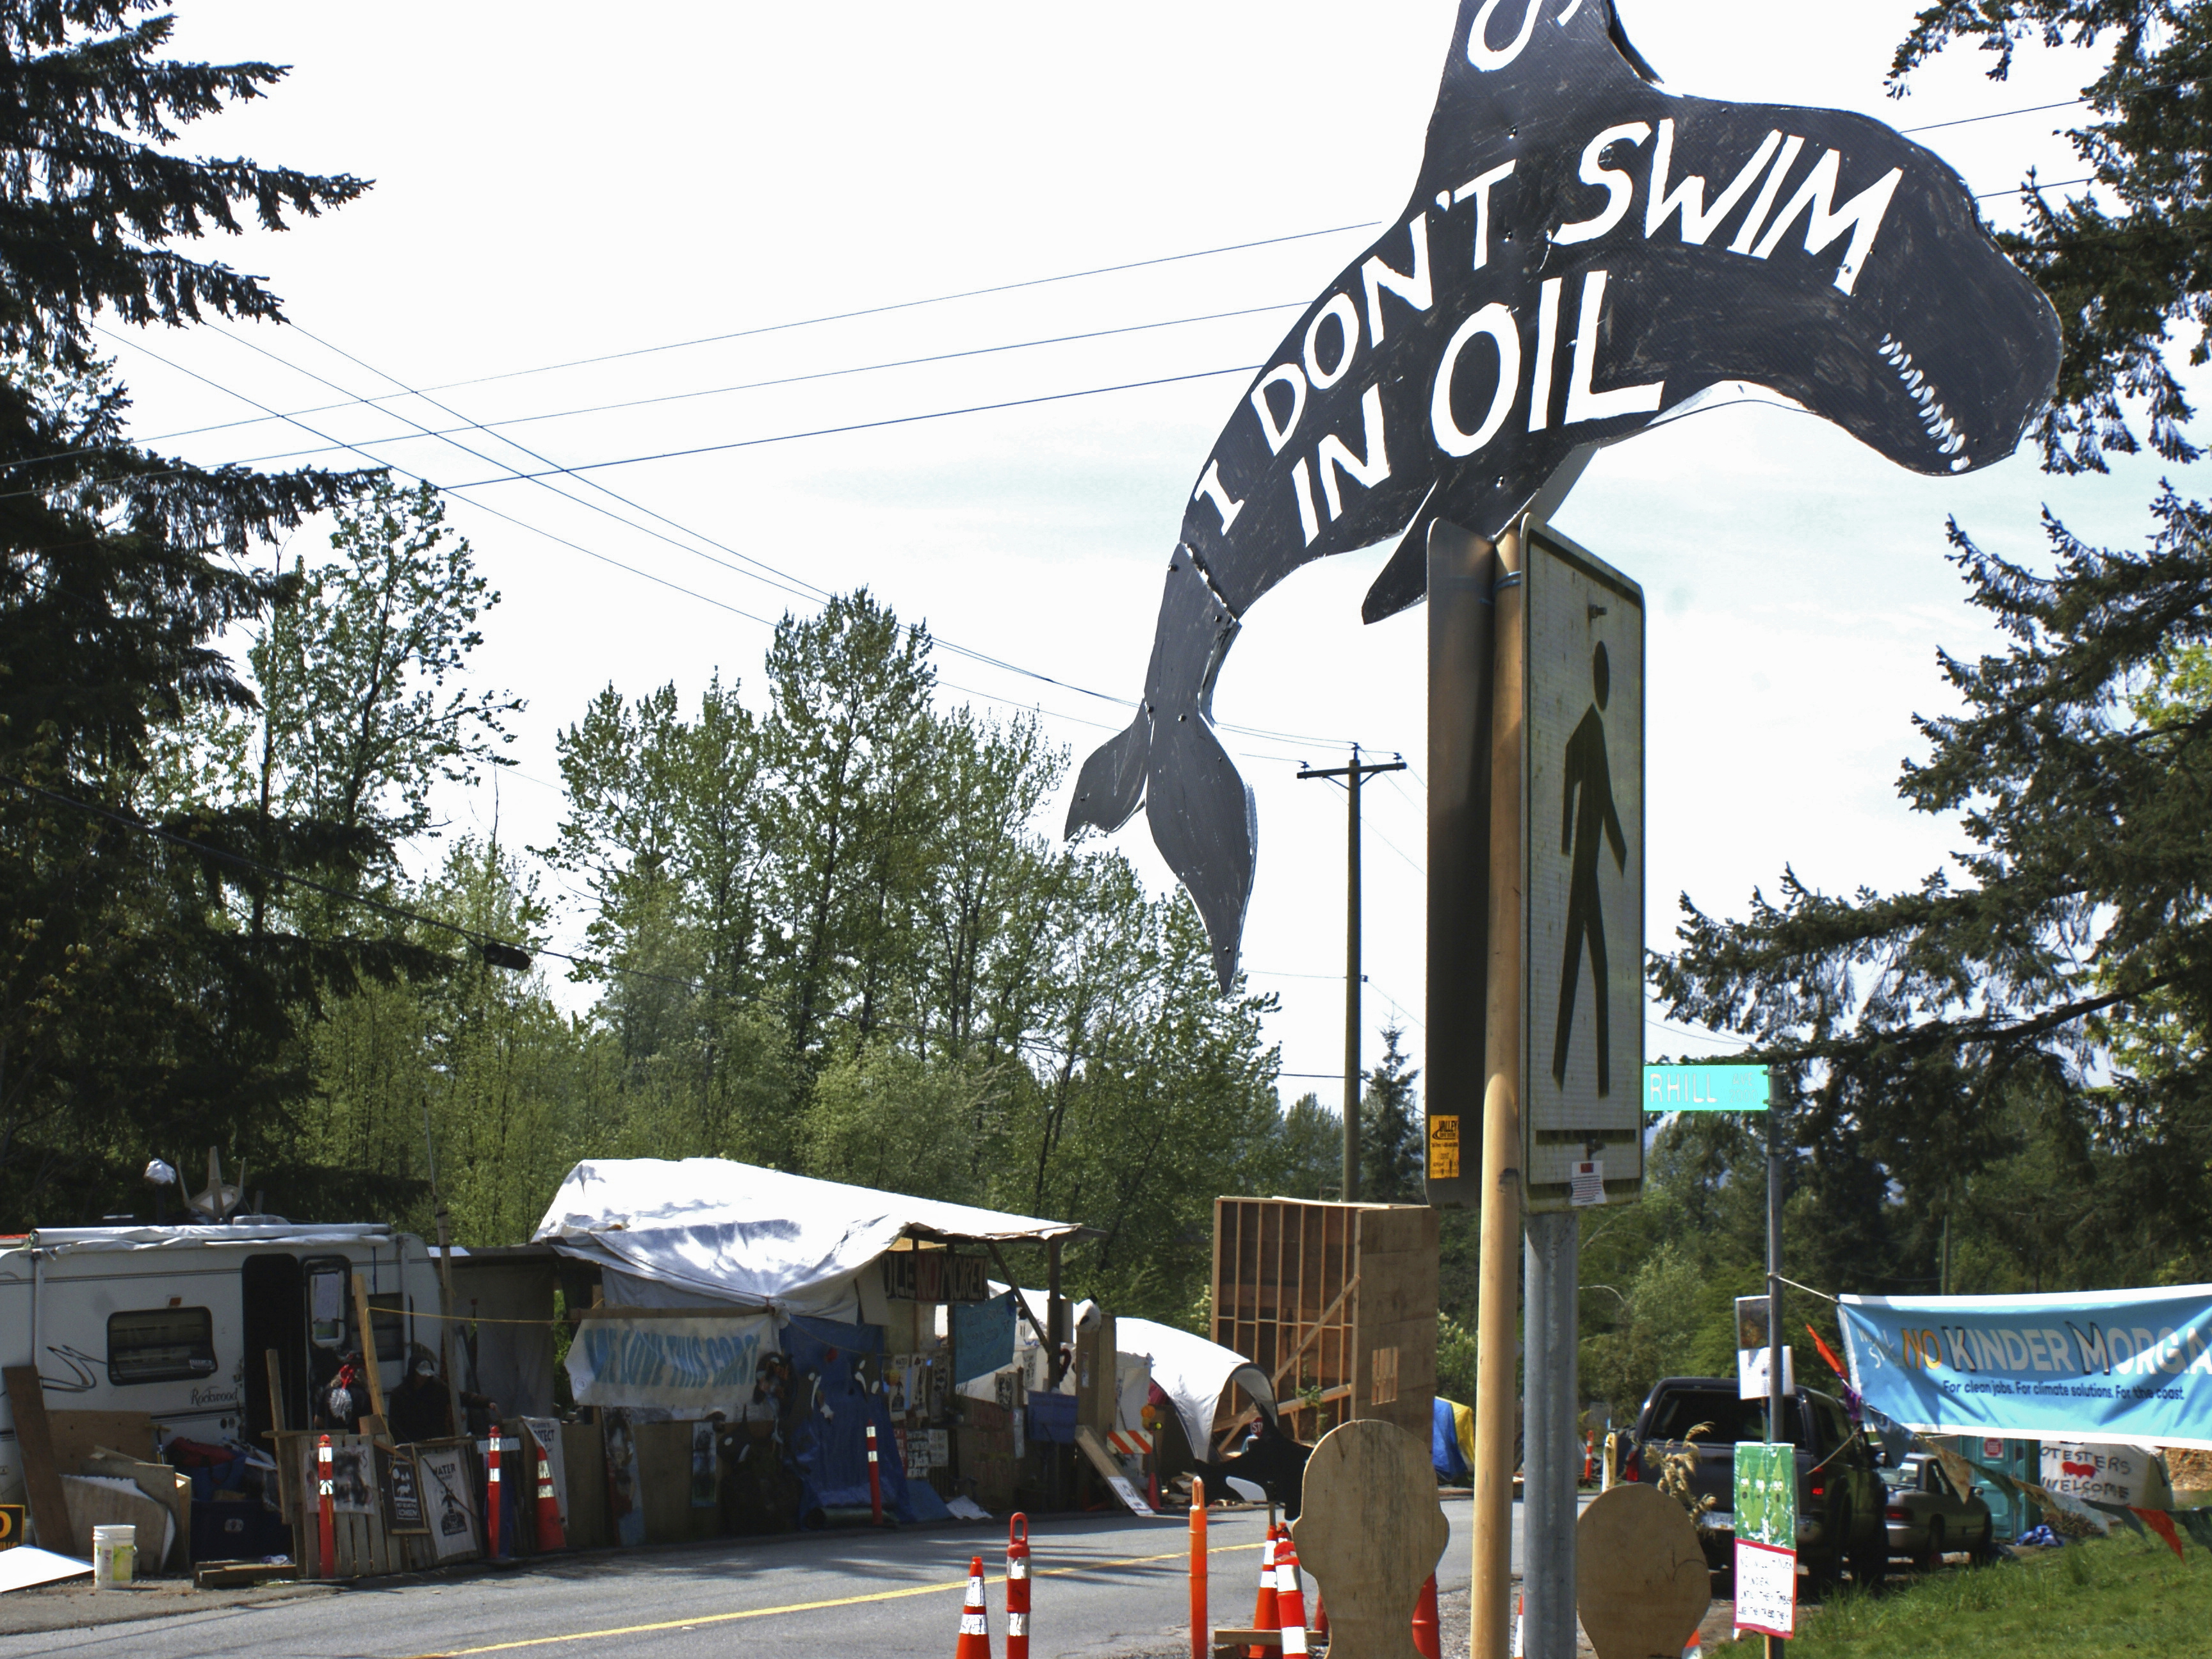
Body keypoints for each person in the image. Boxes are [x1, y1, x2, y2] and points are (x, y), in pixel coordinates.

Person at [387, 1346, 454, 1443]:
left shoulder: (438, 1389)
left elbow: (460, 1397)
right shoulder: (399, 1395)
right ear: (413, 1373)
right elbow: (394, 1427)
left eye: (427, 1375)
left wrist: (484, 1402)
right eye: (420, 1375)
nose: (424, 1378)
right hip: (410, 1445)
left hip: (436, 1442)